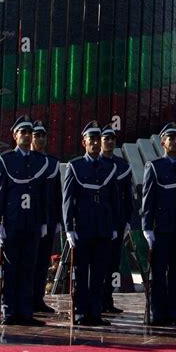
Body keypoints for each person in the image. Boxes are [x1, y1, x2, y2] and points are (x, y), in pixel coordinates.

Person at [141, 122, 176, 328]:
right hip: (162, 228)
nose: (175, 142)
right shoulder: (154, 166)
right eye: (170, 138)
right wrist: (147, 227)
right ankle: (158, 314)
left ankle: (173, 312)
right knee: (158, 273)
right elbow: (148, 199)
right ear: (162, 143)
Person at [0, 115, 49, 326]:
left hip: (33, 222)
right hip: (13, 223)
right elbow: (0, 192)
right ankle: (9, 312)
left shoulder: (40, 161)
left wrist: (44, 221)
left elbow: (43, 194)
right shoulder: (5, 160)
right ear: (15, 136)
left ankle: (26, 313)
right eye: (22, 132)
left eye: (28, 132)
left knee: (28, 269)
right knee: (10, 268)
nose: (26, 136)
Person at [62, 121, 119, 326]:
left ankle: (96, 312)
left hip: (103, 228)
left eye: (97, 139)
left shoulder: (110, 167)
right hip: (83, 228)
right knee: (80, 272)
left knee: (99, 274)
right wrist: (69, 228)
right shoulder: (75, 166)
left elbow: (114, 200)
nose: (95, 143)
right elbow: (68, 200)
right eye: (91, 139)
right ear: (84, 142)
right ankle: (80, 312)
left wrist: (114, 226)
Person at [100, 123, 134, 314]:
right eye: (107, 139)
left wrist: (128, 219)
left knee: (113, 262)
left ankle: (108, 298)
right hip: (100, 221)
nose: (110, 142)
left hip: (118, 220)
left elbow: (127, 196)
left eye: (112, 139)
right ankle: (97, 299)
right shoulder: (97, 164)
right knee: (99, 262)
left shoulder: (122, 165)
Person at [31, 120, 62, 314]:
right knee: (29, 261)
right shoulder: (27, 160)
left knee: (43, 261)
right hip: (31, 219)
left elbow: (57, 192)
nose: (40, 139)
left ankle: (38, 298)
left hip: (49, 219)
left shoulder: (52, 162)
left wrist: (58, 218)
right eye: (37, 136)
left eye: (43, 135)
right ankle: (25, 298)